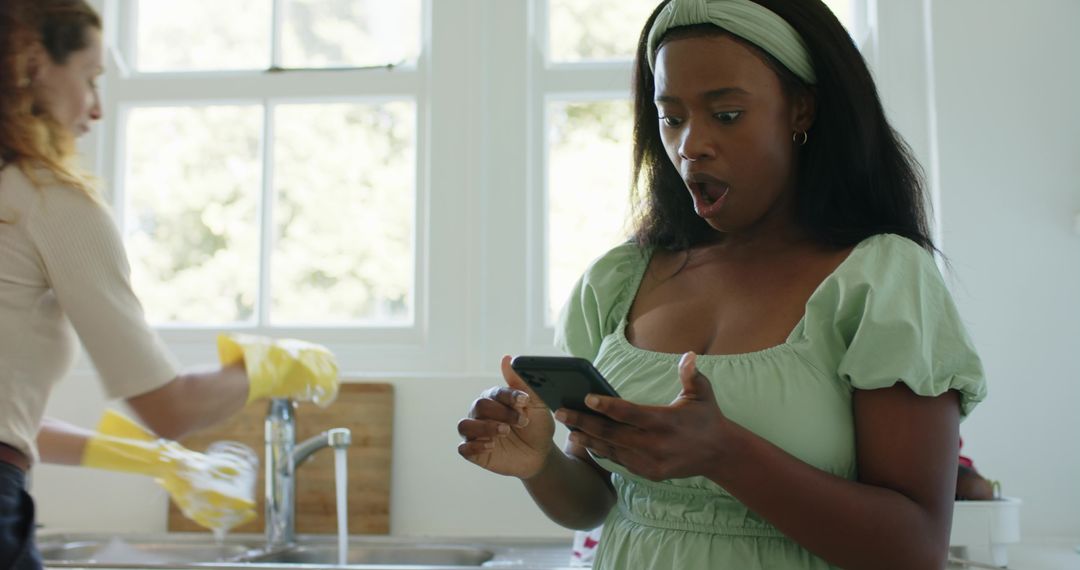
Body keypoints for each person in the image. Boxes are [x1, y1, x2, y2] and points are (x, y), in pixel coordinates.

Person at [458, 0, 988, 568]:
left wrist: (724, 453)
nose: (690, 145)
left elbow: (915, 548)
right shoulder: (619, 281)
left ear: (801, 110)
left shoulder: (880, 281)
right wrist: (536, 463)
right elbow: (595, 502)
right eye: (671, 116)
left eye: (727, 114)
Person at [0, 2, 339, 568]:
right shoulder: (48, 198)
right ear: (34, 64)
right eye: (90, 77)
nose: (98, 109)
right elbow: (170, 407)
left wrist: (151, 460)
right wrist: (268, 366)